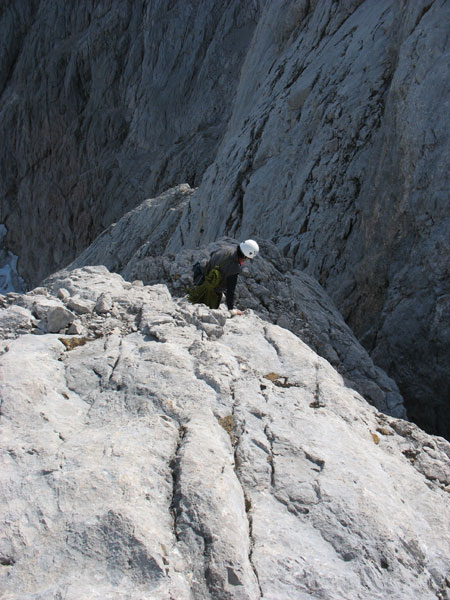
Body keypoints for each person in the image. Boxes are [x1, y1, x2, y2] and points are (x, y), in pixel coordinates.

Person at [188, 239, 259, 314]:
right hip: (212, 293)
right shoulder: (234, 268)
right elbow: (230, 292)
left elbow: (212, 256)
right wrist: (231, 310)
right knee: (207, 312)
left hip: (201, 279)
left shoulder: (226, 248)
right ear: (245, 256)